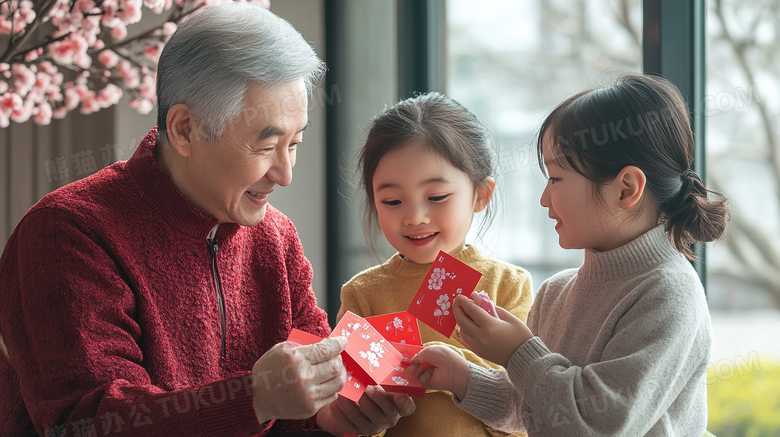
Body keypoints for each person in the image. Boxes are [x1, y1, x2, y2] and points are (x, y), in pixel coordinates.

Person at [0, 3, 414, 436]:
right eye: (265, 145)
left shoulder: (275, 237)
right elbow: (88, 422)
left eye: (295, 143)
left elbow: (305, 399)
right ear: (184, 130)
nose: (285, 174)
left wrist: (330, 416)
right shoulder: (66, 233)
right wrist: (255, 398)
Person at [409, 73, 729, 436]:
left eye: (556, 179)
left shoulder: (669, 295)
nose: (544, 199)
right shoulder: (555, 292)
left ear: (626, 189)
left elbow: (600, 424)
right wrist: (462, 377)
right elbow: (537, 409)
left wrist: (518, 353)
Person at [337, 92, 534, 437]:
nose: (414, 217)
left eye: (437, 197)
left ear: (481, 194)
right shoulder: (362, 295)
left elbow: (527, 410)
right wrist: (367, 404)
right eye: (392, 201)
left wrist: (449, 370)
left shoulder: (508, 285)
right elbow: (349, 418)